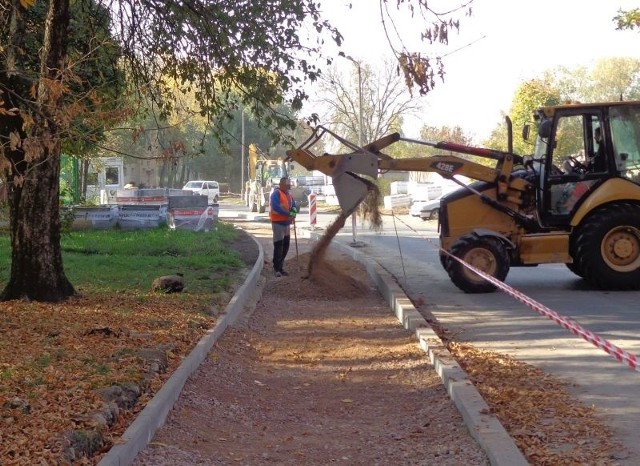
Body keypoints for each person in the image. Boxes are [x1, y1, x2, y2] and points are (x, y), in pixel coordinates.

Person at [269, 177, 297, 277]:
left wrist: (293, 212)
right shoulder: (276, 194)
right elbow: (276, 207)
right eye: (287, 184)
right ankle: (276, 268)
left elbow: (293, 205)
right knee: (278, 246)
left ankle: (280, 267)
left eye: (289, 184)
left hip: (286, 224)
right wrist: (288, 214)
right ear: (281, 184)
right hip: (277, 223)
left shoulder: (288, 195)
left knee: (286, 246)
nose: (289, 185)